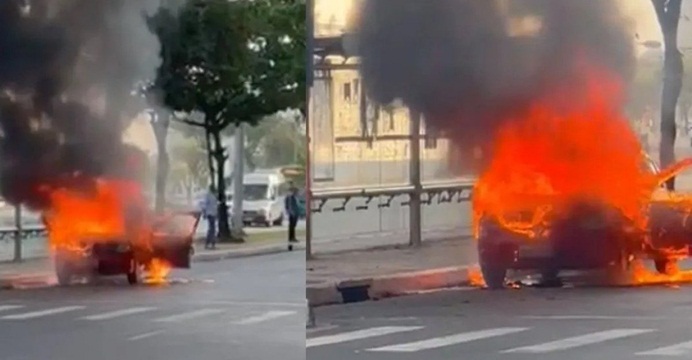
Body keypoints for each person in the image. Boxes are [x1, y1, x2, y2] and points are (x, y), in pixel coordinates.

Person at [201, 185, 218, 250]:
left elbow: (215, 205)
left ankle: (211, 243)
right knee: (212, 229)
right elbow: (205, 204)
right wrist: (204, 212)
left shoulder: (214, 195)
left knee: (213, 229)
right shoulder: (208, 195)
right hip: (210, 214)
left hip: (213, 213)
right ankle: (209, 243)